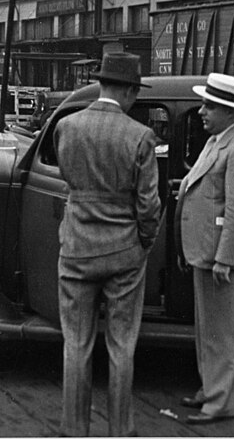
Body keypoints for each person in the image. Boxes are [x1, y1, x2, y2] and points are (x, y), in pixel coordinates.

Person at [54, 51, 161, 437]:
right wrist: (143, 242)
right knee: (121, 347)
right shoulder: (140, 136)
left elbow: (68, 180)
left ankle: (74, 428)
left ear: (100, 84)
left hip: (78, 247)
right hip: (124, 252)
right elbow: (149, 205)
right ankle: (120, 431)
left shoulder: (67, 127)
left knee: (76, 344)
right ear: (131, 92)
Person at [175, 73, 234, 425]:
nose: (201, 111)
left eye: (209, 106)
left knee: (221, 334)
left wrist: (224, 258)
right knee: (207, 330)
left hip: (220, 257)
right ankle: (211, 390)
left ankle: (221, 402)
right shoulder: (218, 141)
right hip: (205, 251)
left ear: (229, 110)